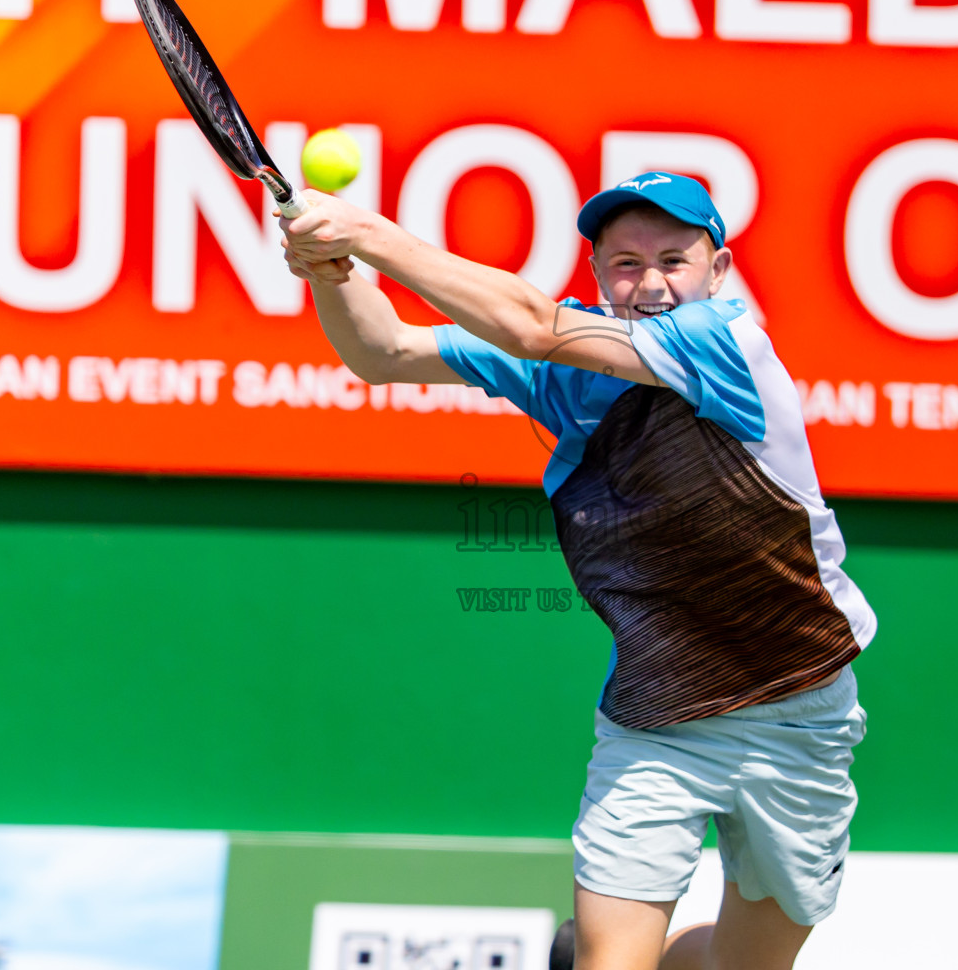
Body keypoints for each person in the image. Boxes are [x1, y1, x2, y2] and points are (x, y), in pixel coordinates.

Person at [280, 173, 876, 970]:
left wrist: (371, 234)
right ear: (598, 277)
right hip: (656, 721)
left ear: (719, 271)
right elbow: (382, 351)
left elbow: (531, 326)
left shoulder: (727, 343)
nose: (653, 282)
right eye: (626, 263)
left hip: (798, 714)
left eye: (675, 258)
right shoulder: (575, 363)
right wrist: (336, 272)